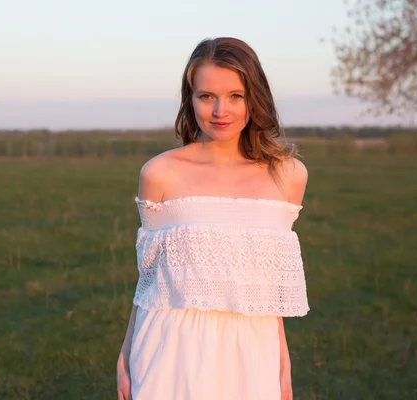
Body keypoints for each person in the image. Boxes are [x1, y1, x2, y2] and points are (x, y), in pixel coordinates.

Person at [117, 37, 309, 400]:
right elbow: (150, 280)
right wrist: (126, 353)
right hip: (169, 349)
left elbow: (266, 286)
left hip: (252, 350)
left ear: (255, 97)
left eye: (235, 95)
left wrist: (281, 361)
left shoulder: (288, 175)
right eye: (206, 96)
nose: (221, 110)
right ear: (190, 100)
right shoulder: (160, 173)